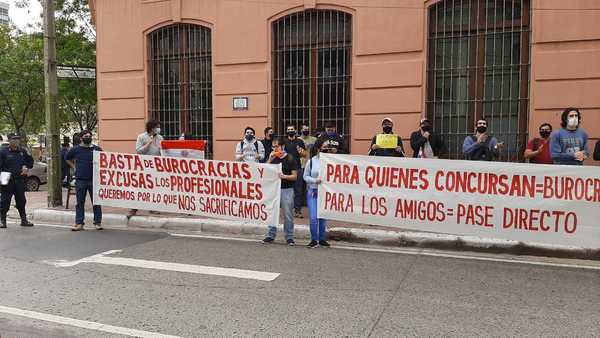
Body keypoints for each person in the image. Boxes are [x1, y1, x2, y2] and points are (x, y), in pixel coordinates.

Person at [263, 137, 298, 246]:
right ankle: (270, 235)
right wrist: (269, 159)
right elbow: (264, 171)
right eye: (273, 147)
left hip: (287, 190)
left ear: (282, 146)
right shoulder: (273, 157)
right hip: (274, 190)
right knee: (272, 212)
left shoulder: (290, 158)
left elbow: (295, 176)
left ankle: (289, 237)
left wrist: (284, 176)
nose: (274, 148)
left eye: (276, 146)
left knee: (288, 214)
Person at [65, 130, 103, 231]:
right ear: (81, 138)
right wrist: (74, 167)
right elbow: (67, 158)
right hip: (81, 180)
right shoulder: (75, 149)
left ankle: (97, 222)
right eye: (86, 136)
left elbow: (104, 160)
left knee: (96, 202)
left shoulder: (97, 149)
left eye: (90, 136)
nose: (88, 137)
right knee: (80, 202)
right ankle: (79, 223)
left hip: (93, 180)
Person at [128, 119, 163, 218]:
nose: (159, 129)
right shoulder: (141, 137)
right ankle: (134, 208)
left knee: (155, 187)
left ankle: (153, 207)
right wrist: (149, 143)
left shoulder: (160, 138)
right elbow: (139, 151)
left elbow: (162, 151)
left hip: (156, 166)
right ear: (152, 128)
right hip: (143, 166)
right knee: (140, 188)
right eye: (157, 127)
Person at [0, 133, 34, 228]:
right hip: (7, 179)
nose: (16, 141)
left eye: (18, 139)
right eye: (14, 139)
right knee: (5, 201)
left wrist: (26, 167)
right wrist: (3, 178)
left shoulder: (22, 151)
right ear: (9, 140)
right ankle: (2, 220)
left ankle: (24, 220)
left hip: (20, 180)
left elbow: (30, 162)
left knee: (21, 201)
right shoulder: (3, 152)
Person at [303, 139, 331, 248]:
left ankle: (322, 239)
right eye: (324, 147)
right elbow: (305, 176)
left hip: (325, 193)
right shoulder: (311, 161)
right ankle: (314, 239)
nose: (326, 149)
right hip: (313, 192)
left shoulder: (331, 162)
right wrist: (315, 180)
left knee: (323, 217)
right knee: (314, 217)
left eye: (328, 147)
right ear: (319, 148)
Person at [283, 125, 306, 218]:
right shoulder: (284, 141)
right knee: (286, 191)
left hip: (297, 168)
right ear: (286, 131)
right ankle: (286, 211)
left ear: (295, 131)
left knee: (298, 190)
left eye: (292, 129)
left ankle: (297, 211)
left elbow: (305, 154)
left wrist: (301, 152)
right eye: (288, 130)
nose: (290, 131)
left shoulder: (299, 141)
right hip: (286, 170)